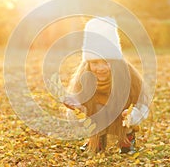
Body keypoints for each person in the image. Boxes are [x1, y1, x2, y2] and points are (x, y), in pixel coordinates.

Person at [64, 16, 149, 154]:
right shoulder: (84, 79)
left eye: (106, 62)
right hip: (98, 117)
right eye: (95, 63)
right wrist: (77, 110)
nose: (100, 68)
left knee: (124, 111)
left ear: (115, 62)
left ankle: (127, 139)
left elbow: (143, 104)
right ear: (88, 64)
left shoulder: (128, 76)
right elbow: (78, 113)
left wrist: (133, 115)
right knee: (95, 109)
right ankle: (97, 139)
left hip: (121, 117)